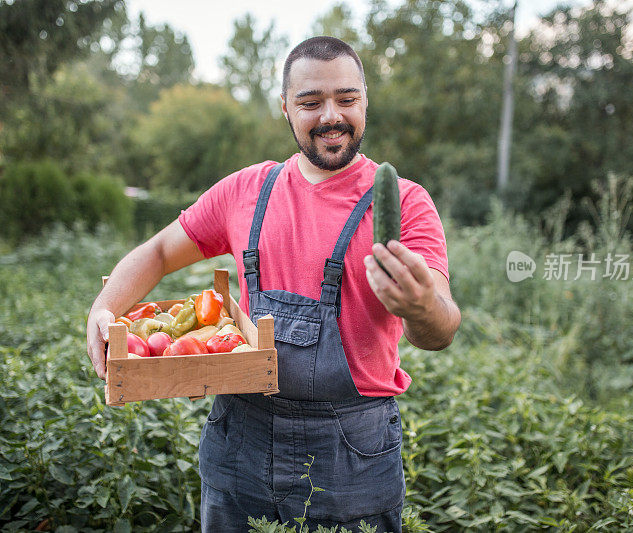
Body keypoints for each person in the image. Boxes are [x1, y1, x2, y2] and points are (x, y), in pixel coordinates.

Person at [86, 36, 461, 532]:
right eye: (310, 102)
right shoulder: (246, 190)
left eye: (346, 99)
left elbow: (440, 329)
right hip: (239, 442)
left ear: (365, 100)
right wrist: (102, 308)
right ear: (285, 107)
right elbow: (157, 252)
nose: (331, 115)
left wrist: (418, 306)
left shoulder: (405, 203)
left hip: (351, 455)